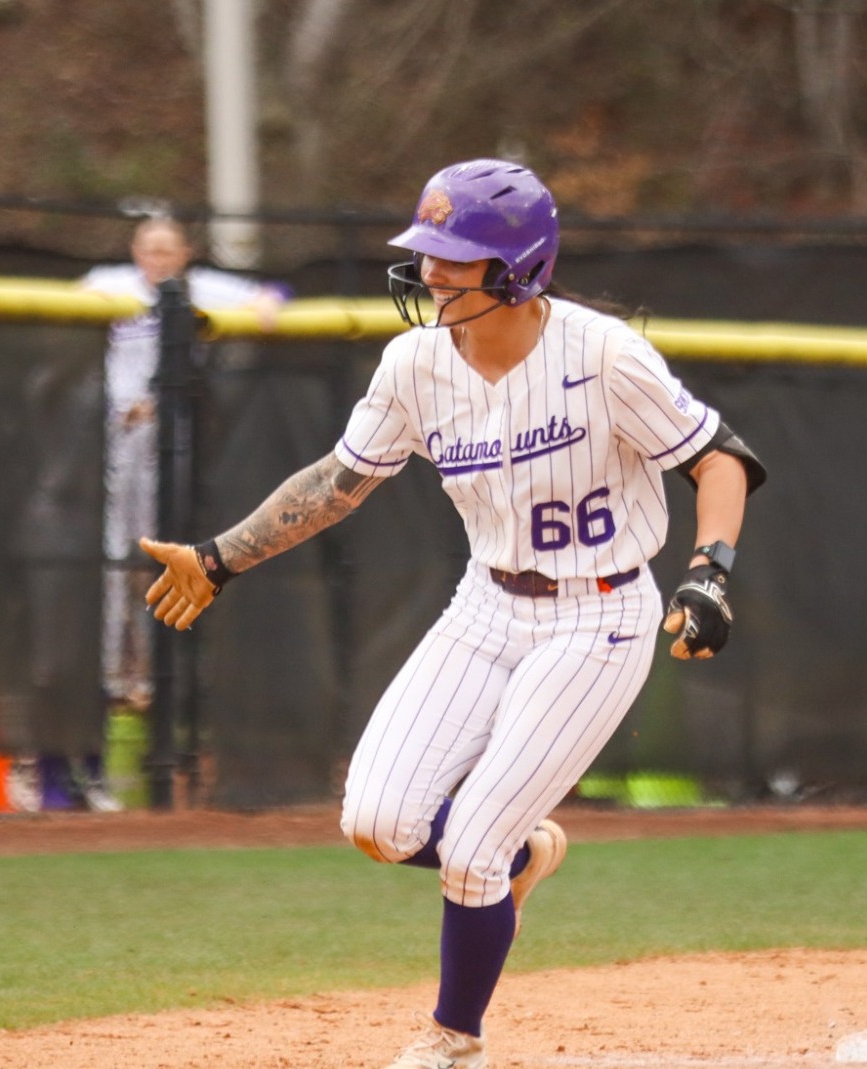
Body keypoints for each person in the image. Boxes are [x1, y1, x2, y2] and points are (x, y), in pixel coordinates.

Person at [141, 159, 764, 1068]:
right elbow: (338, 483)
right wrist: (219, 556)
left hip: (599, 616)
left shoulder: (601, 355)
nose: (430, 271)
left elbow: (721, 456)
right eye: (426, 251)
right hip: (485, 603)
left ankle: (453, 1039)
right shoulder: (417, 362)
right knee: (377, 822)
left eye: (455, 256)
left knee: (471, 843)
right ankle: (520, 858)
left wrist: (709, 571)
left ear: (519, 269)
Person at [77, 216, 286, 713]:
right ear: (135, 251)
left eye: (168, 250)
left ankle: (153, 675)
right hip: (109, 439)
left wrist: (267, 306)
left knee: (157, 555)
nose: (159, 258)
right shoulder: (113, 284)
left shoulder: (199, 288)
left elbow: (274, 291)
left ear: (185, 253)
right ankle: (111, 673)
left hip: (165, 441)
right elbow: (75, 295)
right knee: (110, 556)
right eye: (150, 249)